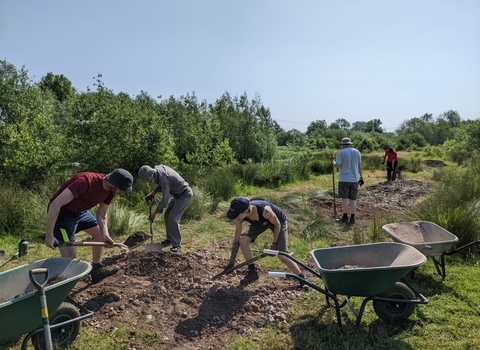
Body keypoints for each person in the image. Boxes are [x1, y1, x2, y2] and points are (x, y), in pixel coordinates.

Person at [45, 168, 133, 284]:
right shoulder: (85, 182)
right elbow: (55, 205)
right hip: (63, 217)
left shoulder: (110, 192)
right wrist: (49, 235)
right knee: (70, 254)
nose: (122, 193)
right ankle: (58, 285)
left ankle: (96, 269)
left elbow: (101, 214)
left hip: (80, 213)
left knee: (100, 235)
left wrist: (106, 234)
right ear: (113, 184)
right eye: (121, 190)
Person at [225, 196, 308, 288]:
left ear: (245, 211)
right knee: (243, 241)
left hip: (278, 222)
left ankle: (302, 278)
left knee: (282, 256)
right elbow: (236, 239)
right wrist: (231, 261)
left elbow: (277, 224)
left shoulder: (265, 211)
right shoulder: (240, 217)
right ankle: (253, 271)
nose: (235, 217)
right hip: (258, 222)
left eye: (236, 215)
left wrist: (274, 244)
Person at [138, 165, 192, 252]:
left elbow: (165, 200)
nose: (148, 182)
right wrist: (154, 192)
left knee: (173, 218)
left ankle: (177, 245)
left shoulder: (164, 179)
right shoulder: (157, 171)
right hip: (177, 195)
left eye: (148, 179)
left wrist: (155, 213)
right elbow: (161, 184)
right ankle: (169, 240)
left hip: (184, 194)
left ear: (152, 173)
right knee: (167, 215)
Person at [329, 137, 363, 224]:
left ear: (343, 145)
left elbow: (338, 166)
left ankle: (344, 217)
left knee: (345, 199)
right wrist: (361, 177)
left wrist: (332, 161)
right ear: (350, 144)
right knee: (353, 199)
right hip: (355, 179)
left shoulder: (341, 152)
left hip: (344, 179)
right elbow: (359, 166)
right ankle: (352, 218)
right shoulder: (357, 152)